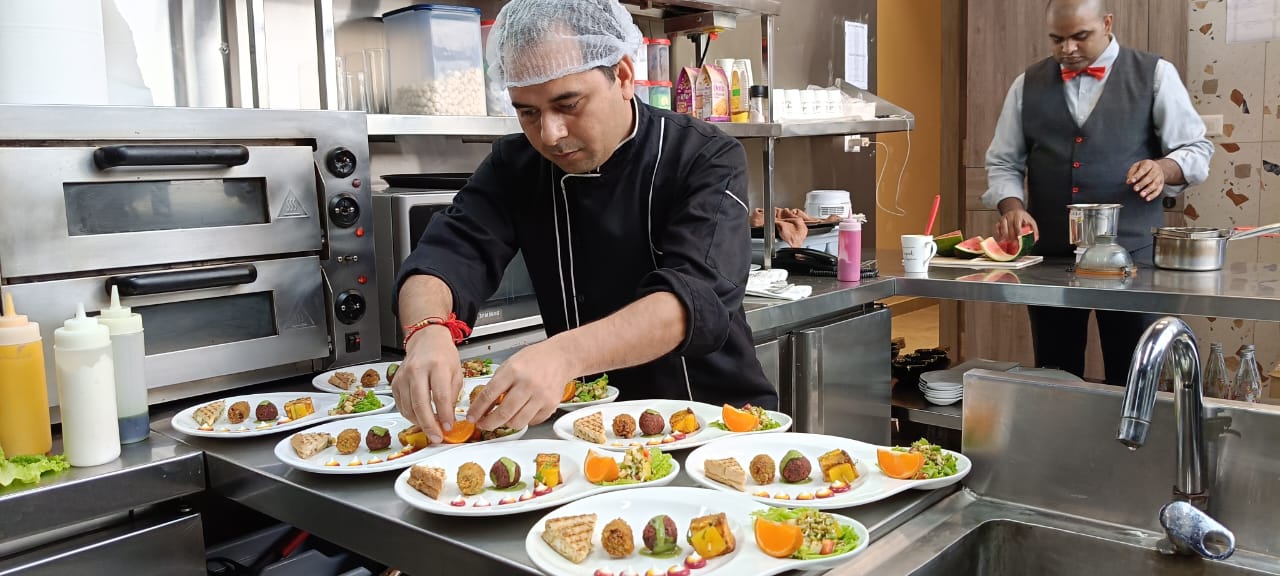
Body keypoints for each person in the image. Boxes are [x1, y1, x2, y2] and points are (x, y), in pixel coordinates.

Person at [391, 0, 774, 444]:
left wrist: (562, 356)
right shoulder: (515, 166)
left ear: (625, 77)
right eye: (527, 112)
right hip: (587, 433)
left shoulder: (704, 156)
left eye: (567, 104)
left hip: (714, 426)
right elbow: (445, 255)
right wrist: (427, 331)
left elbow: (692, 299)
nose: (549, 134)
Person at [983, 0, 1213, 385]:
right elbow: (1003, 161)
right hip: (1052, 258)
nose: (1068, 49)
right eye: (1057, 39)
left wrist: (1163, 167)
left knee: (1133, 375)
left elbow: (1196, 151)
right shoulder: (1027, 83)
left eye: (1080, 36)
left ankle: (1128, 446)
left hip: (1132, 260)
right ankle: (1059, 442)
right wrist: (1012, 206)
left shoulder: (1155, 74)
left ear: (1107, 23)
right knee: (1055, 374)